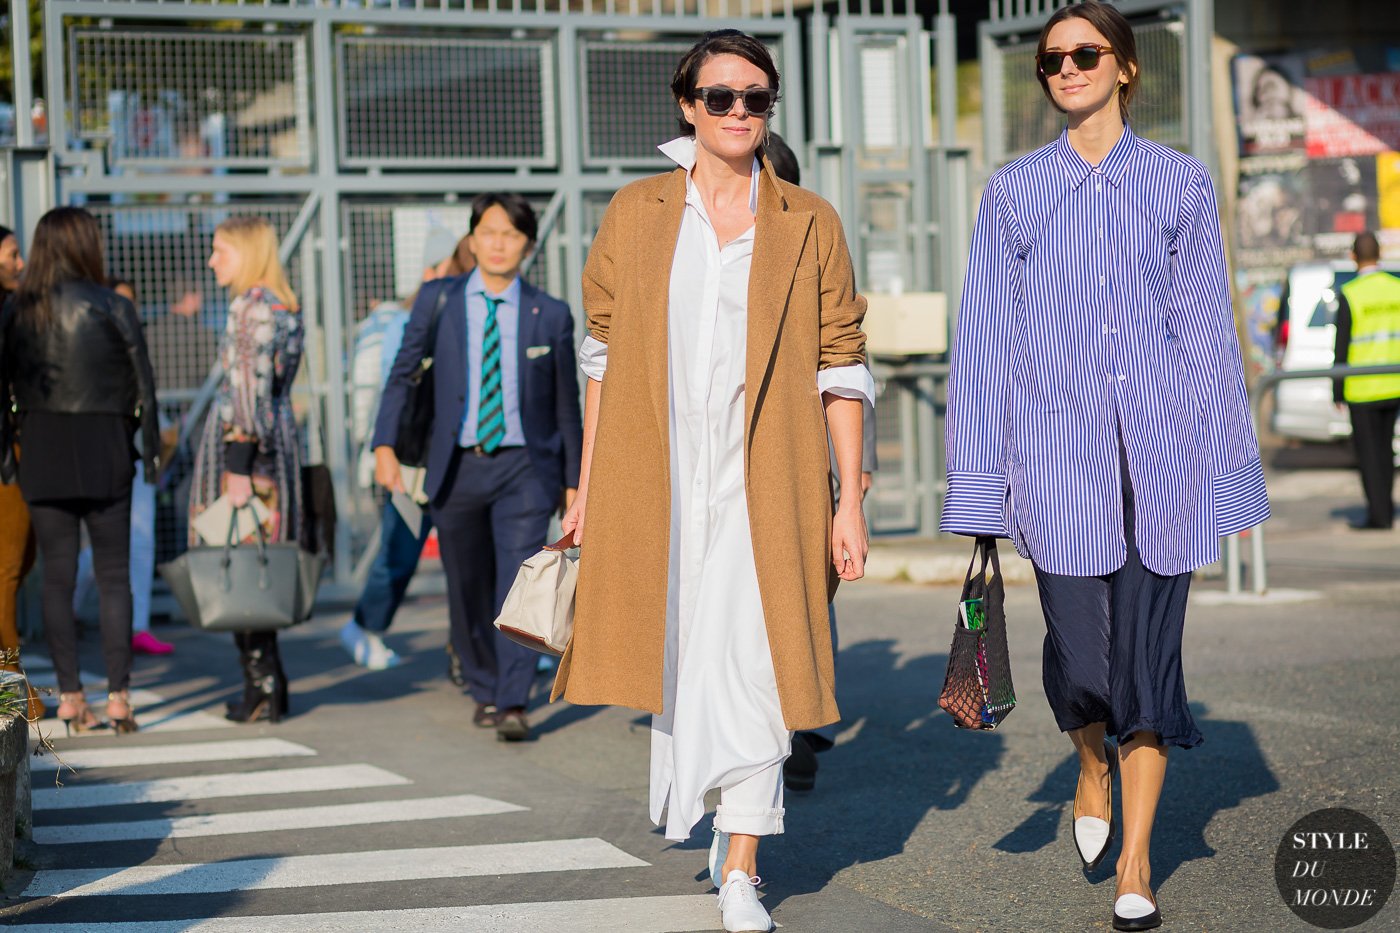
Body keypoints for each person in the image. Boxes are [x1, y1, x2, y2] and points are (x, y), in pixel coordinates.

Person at [941, 5, 1269, 931]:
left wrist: (1230, 475)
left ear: (1125, 68)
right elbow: (983, 346)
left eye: (1086, 55)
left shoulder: (1179, 185)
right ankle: (1091, 762)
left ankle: (1137, 860)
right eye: (1052, 60)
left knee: (1149, 674)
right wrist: (980, 485)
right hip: (1056, 468)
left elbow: (1208, 333)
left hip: (1162, 464)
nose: (1067, 69)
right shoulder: (1013, 192)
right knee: (1084, 665)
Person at [553, 30, 872, 933]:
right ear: (686, 104)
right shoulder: (639, 211)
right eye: (721, 96)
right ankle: (720, 812)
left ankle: (743, 864)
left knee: (761, 666)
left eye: (757, 98)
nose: (739, 112)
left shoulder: (809, 220)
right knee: (687, 657)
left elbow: (840, 364)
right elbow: (603, 355)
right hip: (659, 481)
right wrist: (586, 488)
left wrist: (849, 497)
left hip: (769, 481)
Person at [372, 193, 582, 742]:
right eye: (488, 232)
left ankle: (513, 700)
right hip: (456, 467)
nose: (497, 243)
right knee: (466, 585)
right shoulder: (438, 300)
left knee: (516, 581)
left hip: (524, 470)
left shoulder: (550, 313)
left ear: (527, 245)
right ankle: (484, 686)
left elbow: (566, 405)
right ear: (471, 239)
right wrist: (384, 446)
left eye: (510, 235)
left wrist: (573, 484)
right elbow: (401, 374)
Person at [0, 207, 159, 735]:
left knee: (57, 577)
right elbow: (144, 384)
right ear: (86, 244)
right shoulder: (113, 303)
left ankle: (70, 697)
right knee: (115, 576)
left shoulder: (19, 310)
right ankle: (119, 698)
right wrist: (147, 448)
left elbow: (2, 388)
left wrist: (8, 449)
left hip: (42, 448)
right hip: (106, 446)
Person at [762, 131, 877, 795]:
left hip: (808, 456)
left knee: (810, 588)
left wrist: (852, 479)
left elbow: (851, 366)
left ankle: (804, 722)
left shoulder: (816, 248)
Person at [341, 228, 473, 670]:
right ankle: (365, 627)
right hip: (413, 459)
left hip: (460, 457)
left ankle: (477, 646)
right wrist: (380, 450)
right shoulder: (409, 316)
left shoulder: (473, 303)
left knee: (472, 559)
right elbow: (392, 387)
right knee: (400, 550)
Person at [189, 216, 304, 723]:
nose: (212, 260)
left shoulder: (249, 307)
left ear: (248, 254)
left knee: (234, 558)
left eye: (221, 251)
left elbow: (246, 393)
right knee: (260, 561)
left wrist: (237, 467)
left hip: (245, 450)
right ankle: (269, 683)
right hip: (277, 447)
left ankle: (262, 685)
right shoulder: (283, 305)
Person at [1332, 231, 1400, 530]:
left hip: (1362, 388)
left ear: (1353, 256)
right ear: (1380, 254)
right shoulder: (1396, 288)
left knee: (1369, 454)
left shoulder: (1350, 293)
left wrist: (1337, 389)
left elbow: (1342, 345)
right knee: (1386, 450)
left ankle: (1379, 515)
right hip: (1394, 383)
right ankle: (1386, 506)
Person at [0, 224, 41, 720]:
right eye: (11, 254)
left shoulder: (14, 313)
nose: (19, 263)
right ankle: (11, 689)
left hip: (17, 452)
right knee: (8, 572)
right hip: (7, 457)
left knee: (19, 566)